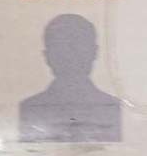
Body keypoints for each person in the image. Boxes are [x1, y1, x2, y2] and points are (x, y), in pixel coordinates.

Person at [19, 14, 122, 142]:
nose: (70, 58)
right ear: (47, 56)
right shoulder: (30, 109)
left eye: (78, 47)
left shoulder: (112, 107)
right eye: (61, 48)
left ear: (94, 52)